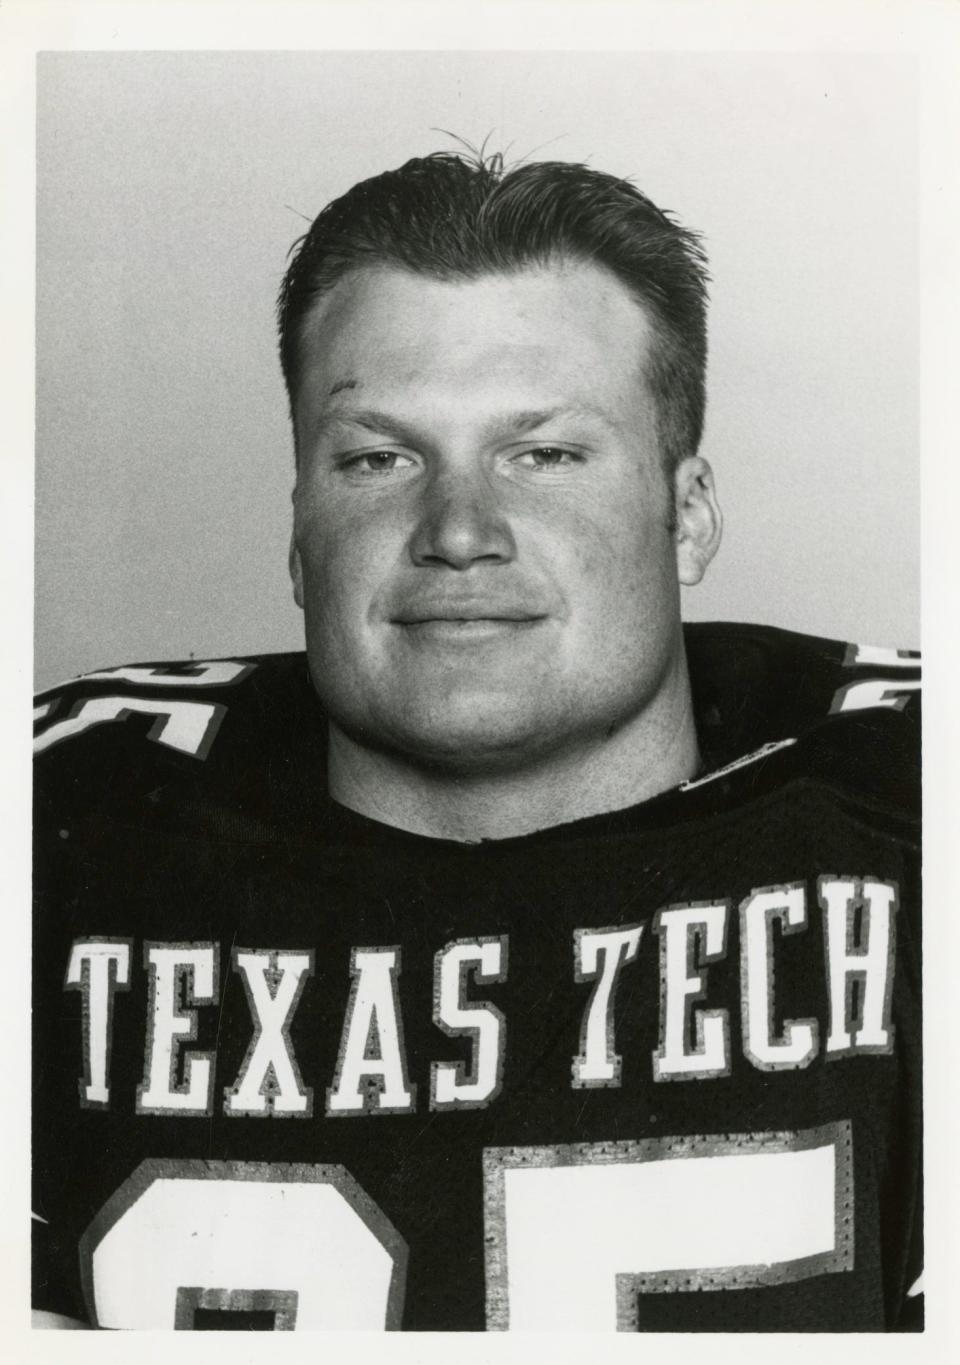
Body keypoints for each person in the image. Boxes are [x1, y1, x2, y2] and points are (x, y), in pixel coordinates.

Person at [32, 150, 921, 1331]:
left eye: (544, 454)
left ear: (689, 512)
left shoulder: (910, 818)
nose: (458, 531)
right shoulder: (61, 824)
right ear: (300, 528)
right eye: (377, 457)